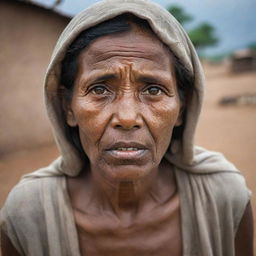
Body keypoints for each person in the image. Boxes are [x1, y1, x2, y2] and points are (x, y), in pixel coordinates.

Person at [0, 0, 253, 255]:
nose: (128, 117)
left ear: (182, 107)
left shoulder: (225, 198)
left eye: (154, 89)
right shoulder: (27, 216)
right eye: (99, 89)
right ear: (68, 107)